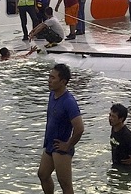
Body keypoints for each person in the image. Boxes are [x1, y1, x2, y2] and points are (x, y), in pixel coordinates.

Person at [37, 64, 85, 194]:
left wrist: (68, 145)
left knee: (65, 184)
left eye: (53, 78)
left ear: (63, 81)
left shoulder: (69, 102)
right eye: (49, 77)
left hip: (61, 148)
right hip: (50, 144)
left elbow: (79, 128)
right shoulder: (52, 95)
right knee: (43, 174)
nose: (49, 80)